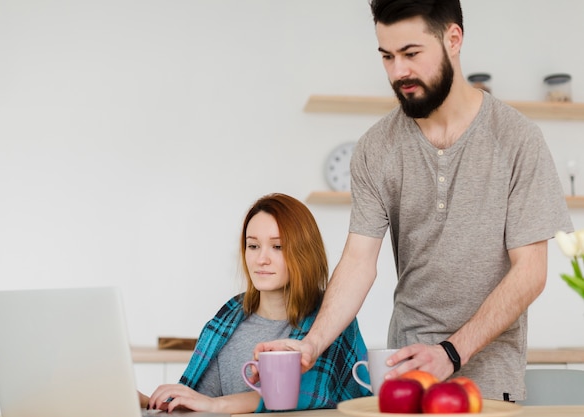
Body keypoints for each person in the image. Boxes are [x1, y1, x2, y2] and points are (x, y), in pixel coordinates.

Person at [255, 0, 573, 402]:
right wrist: (312, 343)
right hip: (403, 380)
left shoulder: (517, 139)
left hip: (490, 384)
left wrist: (451, 353)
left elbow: (531, 271)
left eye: (411, 54)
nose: (398, 71)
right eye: (387, 56)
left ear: (453, 39)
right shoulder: (376, 147)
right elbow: (358, 261)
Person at [139, 193, 371, 413]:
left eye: (277, 246)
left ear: (304, 253)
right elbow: (198, 403)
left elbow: (305, 395)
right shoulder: (225, 322)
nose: (261, 259)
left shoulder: (330, 318)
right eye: (253, 246)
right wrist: (141, 401)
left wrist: (216, 405)